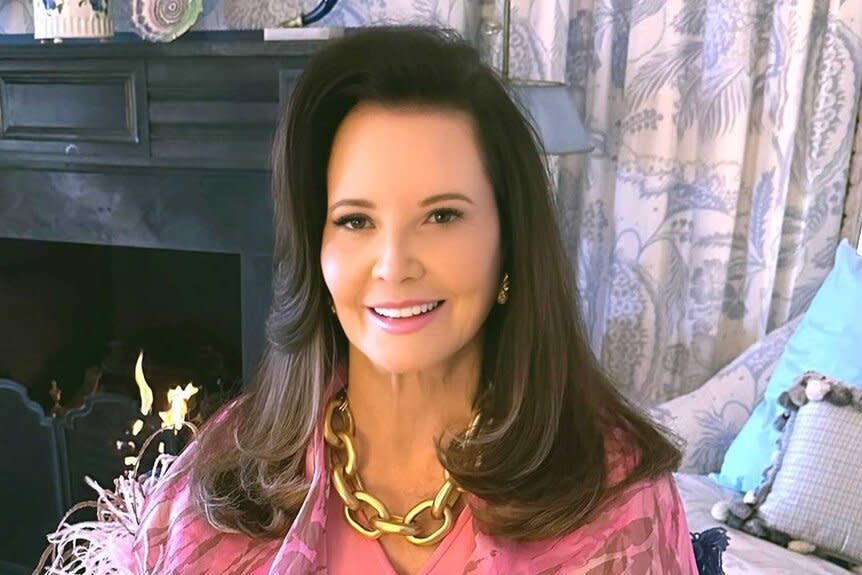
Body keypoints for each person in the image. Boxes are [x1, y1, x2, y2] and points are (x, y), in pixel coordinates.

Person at [124, 26, 697, 575]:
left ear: (510, 241)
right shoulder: (219, 482)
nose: (394, 265)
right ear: (314, 248)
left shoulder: (619, 495)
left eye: (442, 215)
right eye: (354, 220)